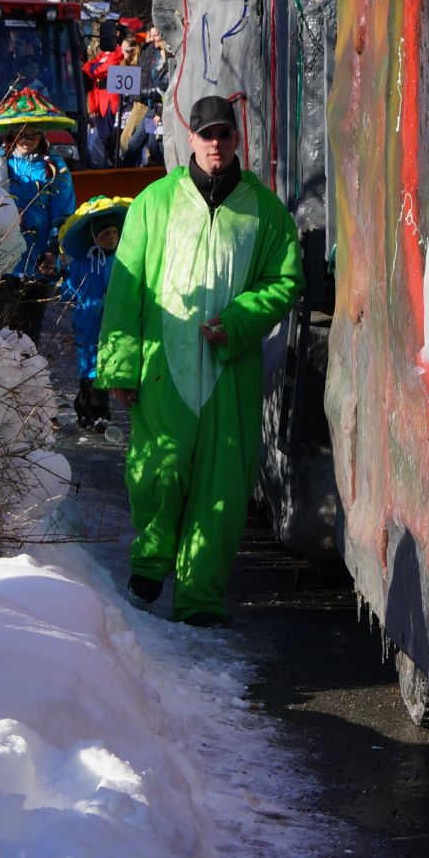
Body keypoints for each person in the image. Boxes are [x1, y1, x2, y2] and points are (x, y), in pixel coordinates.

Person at [96, 95, 302, 626]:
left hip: (230, 374)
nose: (216, 144)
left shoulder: (265, 211)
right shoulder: (154, 203)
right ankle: (151, 560)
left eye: (224, 134)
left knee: (222, 488)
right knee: (157, 472)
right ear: (190, 137)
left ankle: (200, 599)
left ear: (236, 139)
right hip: (161, 368)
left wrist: (237, 322)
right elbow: (125, 290)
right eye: (206, 134)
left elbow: (285, 281)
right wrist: (119, 365)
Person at [0, 89, 77, 343]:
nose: (27, 140)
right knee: (1, 331)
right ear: (11, 134)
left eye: (33, 133)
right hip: (4, 261)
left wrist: (52, 249)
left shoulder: (54, 168)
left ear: (42, 134)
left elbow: (63, 213)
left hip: (38, 263)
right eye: (21, 133)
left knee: (28, 334)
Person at [59, 198, 132, 430]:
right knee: (90, 365)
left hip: (112, 321)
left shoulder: (123, 259)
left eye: (114, 232)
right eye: (104, 235)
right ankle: (96, 413)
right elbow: (69, 289)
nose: (111, 238)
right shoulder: (83, 263)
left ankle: (92, 409)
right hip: (88, 323)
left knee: (105, 364)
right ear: (94, 238)